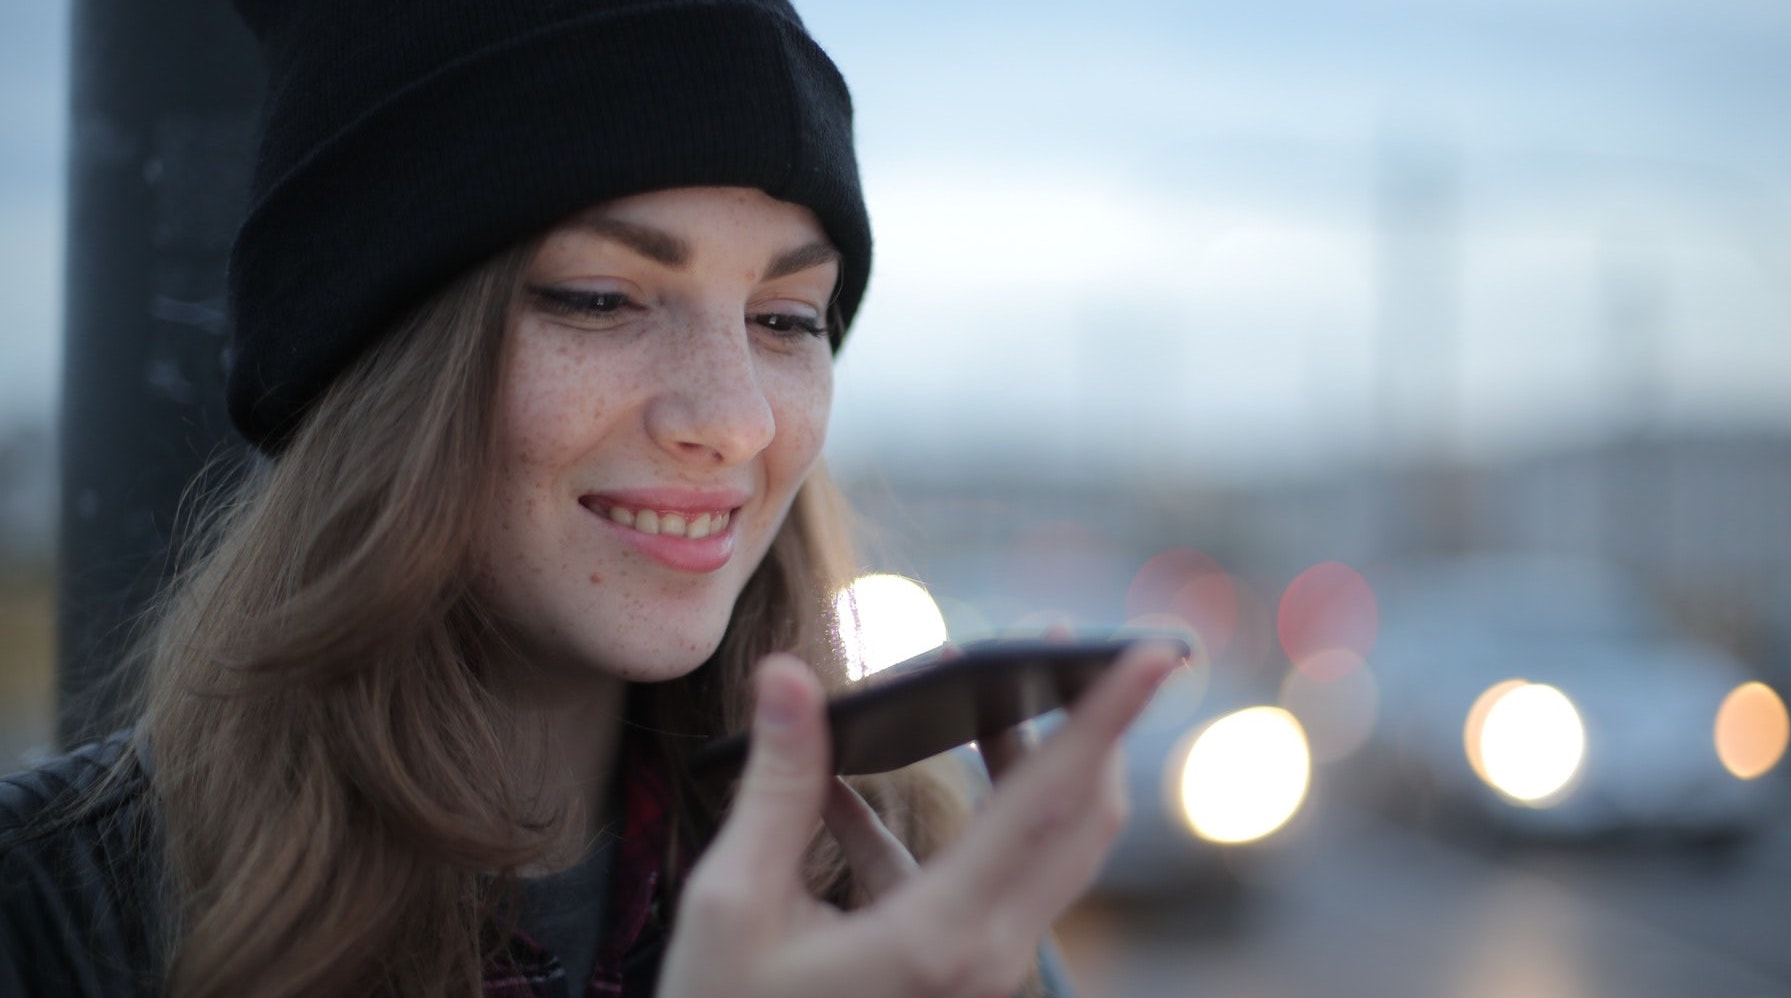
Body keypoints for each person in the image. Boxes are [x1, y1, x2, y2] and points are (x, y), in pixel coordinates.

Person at [0, 1, 1179, 996]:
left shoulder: (909, 897)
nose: (734, 417)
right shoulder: (47, 914)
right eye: (601, 299)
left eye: (786, 320)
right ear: (377, 364)